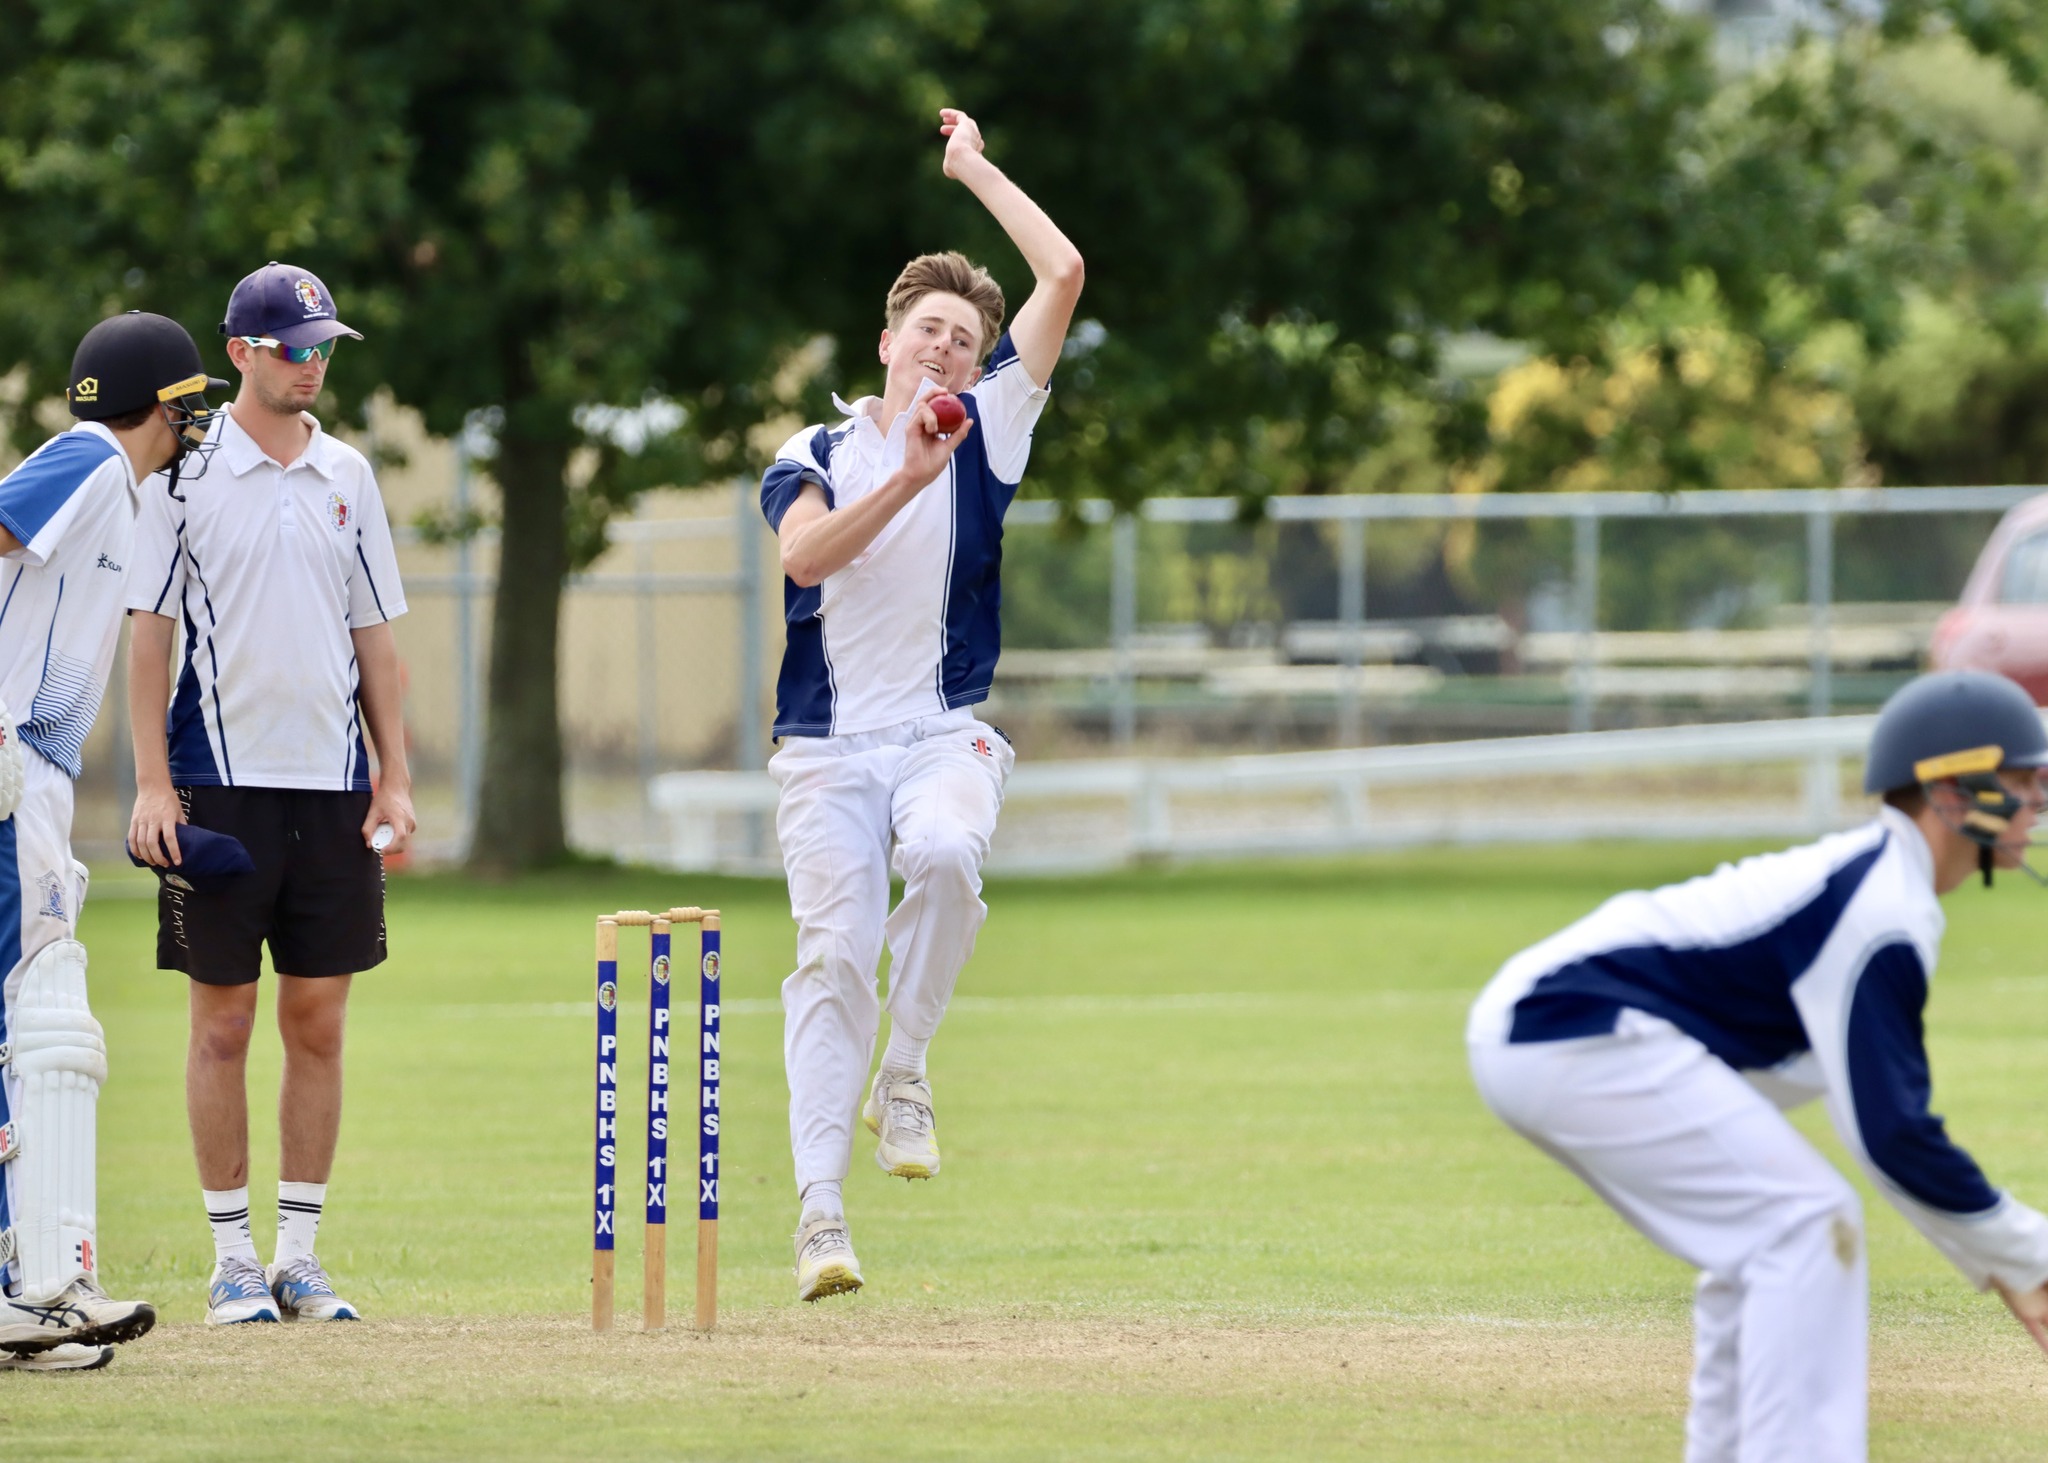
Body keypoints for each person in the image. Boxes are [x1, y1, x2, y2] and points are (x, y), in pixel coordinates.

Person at [1467, 669, 2048, 1461]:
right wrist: (2026, 1255)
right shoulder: (1882, 910)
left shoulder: (1888, 892)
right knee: (1808, 1221)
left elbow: (1881, 1123)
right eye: (2019, 781)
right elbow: (1892, 1134)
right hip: (1568, 1028)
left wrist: (2008, 1259)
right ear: (1952, 791)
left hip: (1551, 1030)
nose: (2033, 804)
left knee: (1769, 1237)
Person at [760, 109, 1084, 1302]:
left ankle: (904, 1068)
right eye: (929, 330)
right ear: (887, 342)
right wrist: (903, 475)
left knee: (947, 851)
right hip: (825, 752)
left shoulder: (994, 423)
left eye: (965, 337)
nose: (947, 349)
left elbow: (1062, 271)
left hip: (942, 729)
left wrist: (972, 170)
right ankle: (818, 1214)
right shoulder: (813, 448)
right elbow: (805, 561)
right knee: (833, 954)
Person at [126, 262, 415, 1326]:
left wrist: (396, 773)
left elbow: (375, 635)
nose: (314, 365)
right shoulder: (181, 481)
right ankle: (229, 1256)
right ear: (240, 352)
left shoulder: (349, 472)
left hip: (332, 791)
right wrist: (154, 783)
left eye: (326, 346)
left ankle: (299, 1254)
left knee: (319, 1020)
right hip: (215, 789)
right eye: (295, 348)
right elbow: (148, 640)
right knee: (222, 1023)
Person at [0, 311, 227, 1370]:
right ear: (159, 404)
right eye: (189, 406)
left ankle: (41, 1281)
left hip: (37, 783)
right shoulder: (91, 458)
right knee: (24, 1023)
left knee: (47, 1030)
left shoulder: (125, 500)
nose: (195, 427)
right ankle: (19, 1284)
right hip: (7, 769)